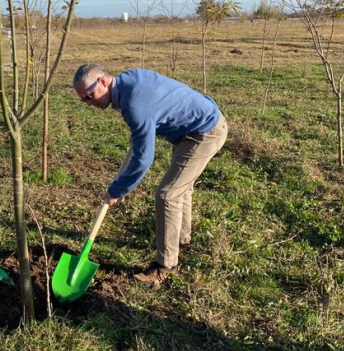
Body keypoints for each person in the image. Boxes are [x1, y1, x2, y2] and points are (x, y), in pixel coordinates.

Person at [71, 63, 228, 286]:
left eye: (89, 96)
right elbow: (142, 132)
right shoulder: (127, 81)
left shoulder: (134, 104)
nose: (88, 103)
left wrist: (117, 190)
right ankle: (181, 240)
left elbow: (144, 157)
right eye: (83, 100)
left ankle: (166, 265)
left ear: (103, 81)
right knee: (180, 188)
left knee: (168, 194)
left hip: (205, 131)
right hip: (191, 128)